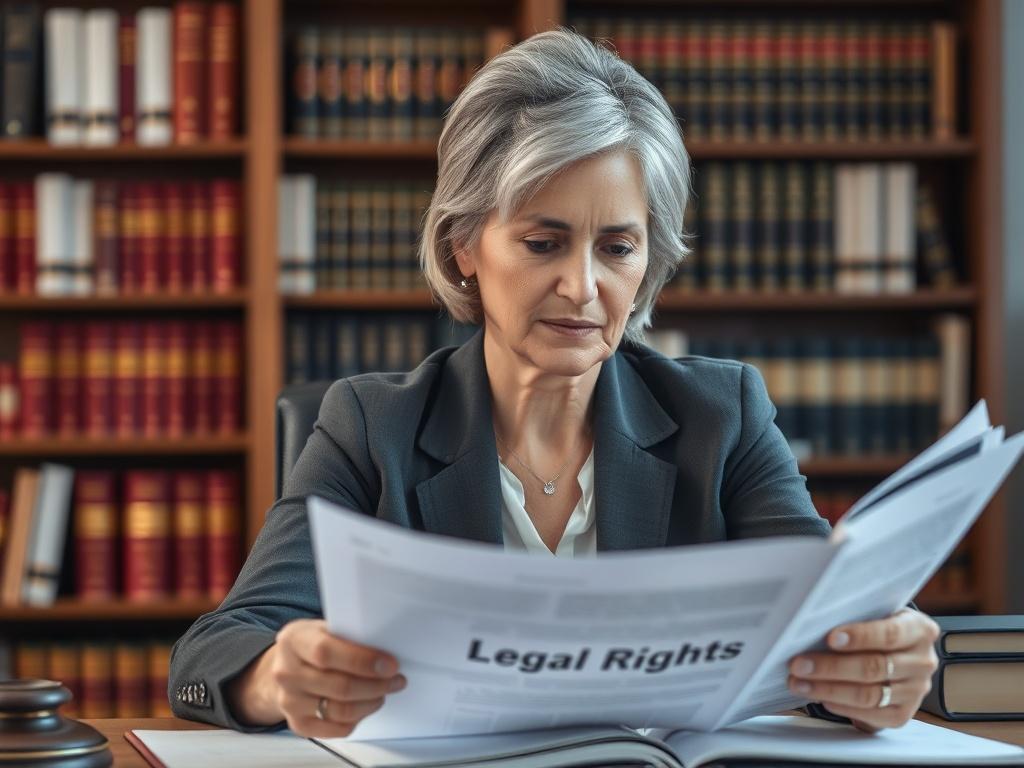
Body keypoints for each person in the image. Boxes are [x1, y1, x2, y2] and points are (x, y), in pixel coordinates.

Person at [169, 27, 939, 739]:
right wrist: (273, 677)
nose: (583, 286)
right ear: (464, 243)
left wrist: (874, 666)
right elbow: (210, 654)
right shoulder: (371, 426)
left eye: (617, 248)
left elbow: (826, 627)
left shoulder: (722, 416)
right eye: (544, 242)